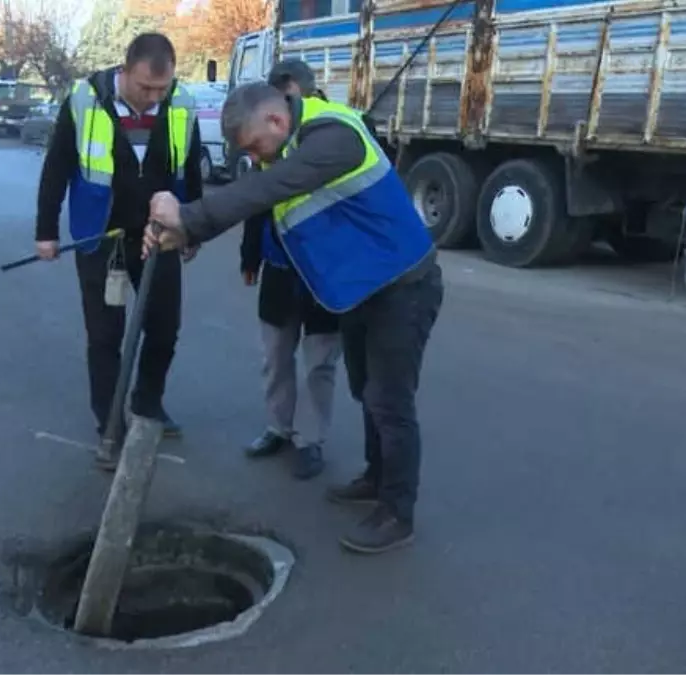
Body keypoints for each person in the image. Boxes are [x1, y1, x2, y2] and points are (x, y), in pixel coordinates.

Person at [144, 81, 445, 554]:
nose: (256, 159)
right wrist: (189, 235)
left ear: (277, 121)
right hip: (364, 289)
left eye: (256, 146)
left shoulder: (332, 137)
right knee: (365, 391)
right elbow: (262, 199)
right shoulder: (289, 148)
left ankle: (397, 513)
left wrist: (188, 215)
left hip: (403, 287)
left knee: (390, 401)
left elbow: (268, 187)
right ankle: (377, 476)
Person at [34, 32, 203, 470]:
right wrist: (46, 230)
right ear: (124, 70)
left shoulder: (180, 104)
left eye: (160, 90)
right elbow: (56, 167)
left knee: (165, 329)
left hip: (159, 236)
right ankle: (111, 423)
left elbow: (190, 167)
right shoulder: (84, 100)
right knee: (106, 335)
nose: (153, 98)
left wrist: (194, 228)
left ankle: (148, 404)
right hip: (100, 238)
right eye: (145, 87)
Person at [239, 60, 342, 480]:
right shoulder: (269, 136)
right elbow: (255, 199)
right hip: (280, 265)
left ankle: (310, 439)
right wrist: (250, 255)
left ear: (295, 90)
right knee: (276, 356)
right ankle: (278, 427)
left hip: (324, 270)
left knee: (320, 362)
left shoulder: (337, 135)